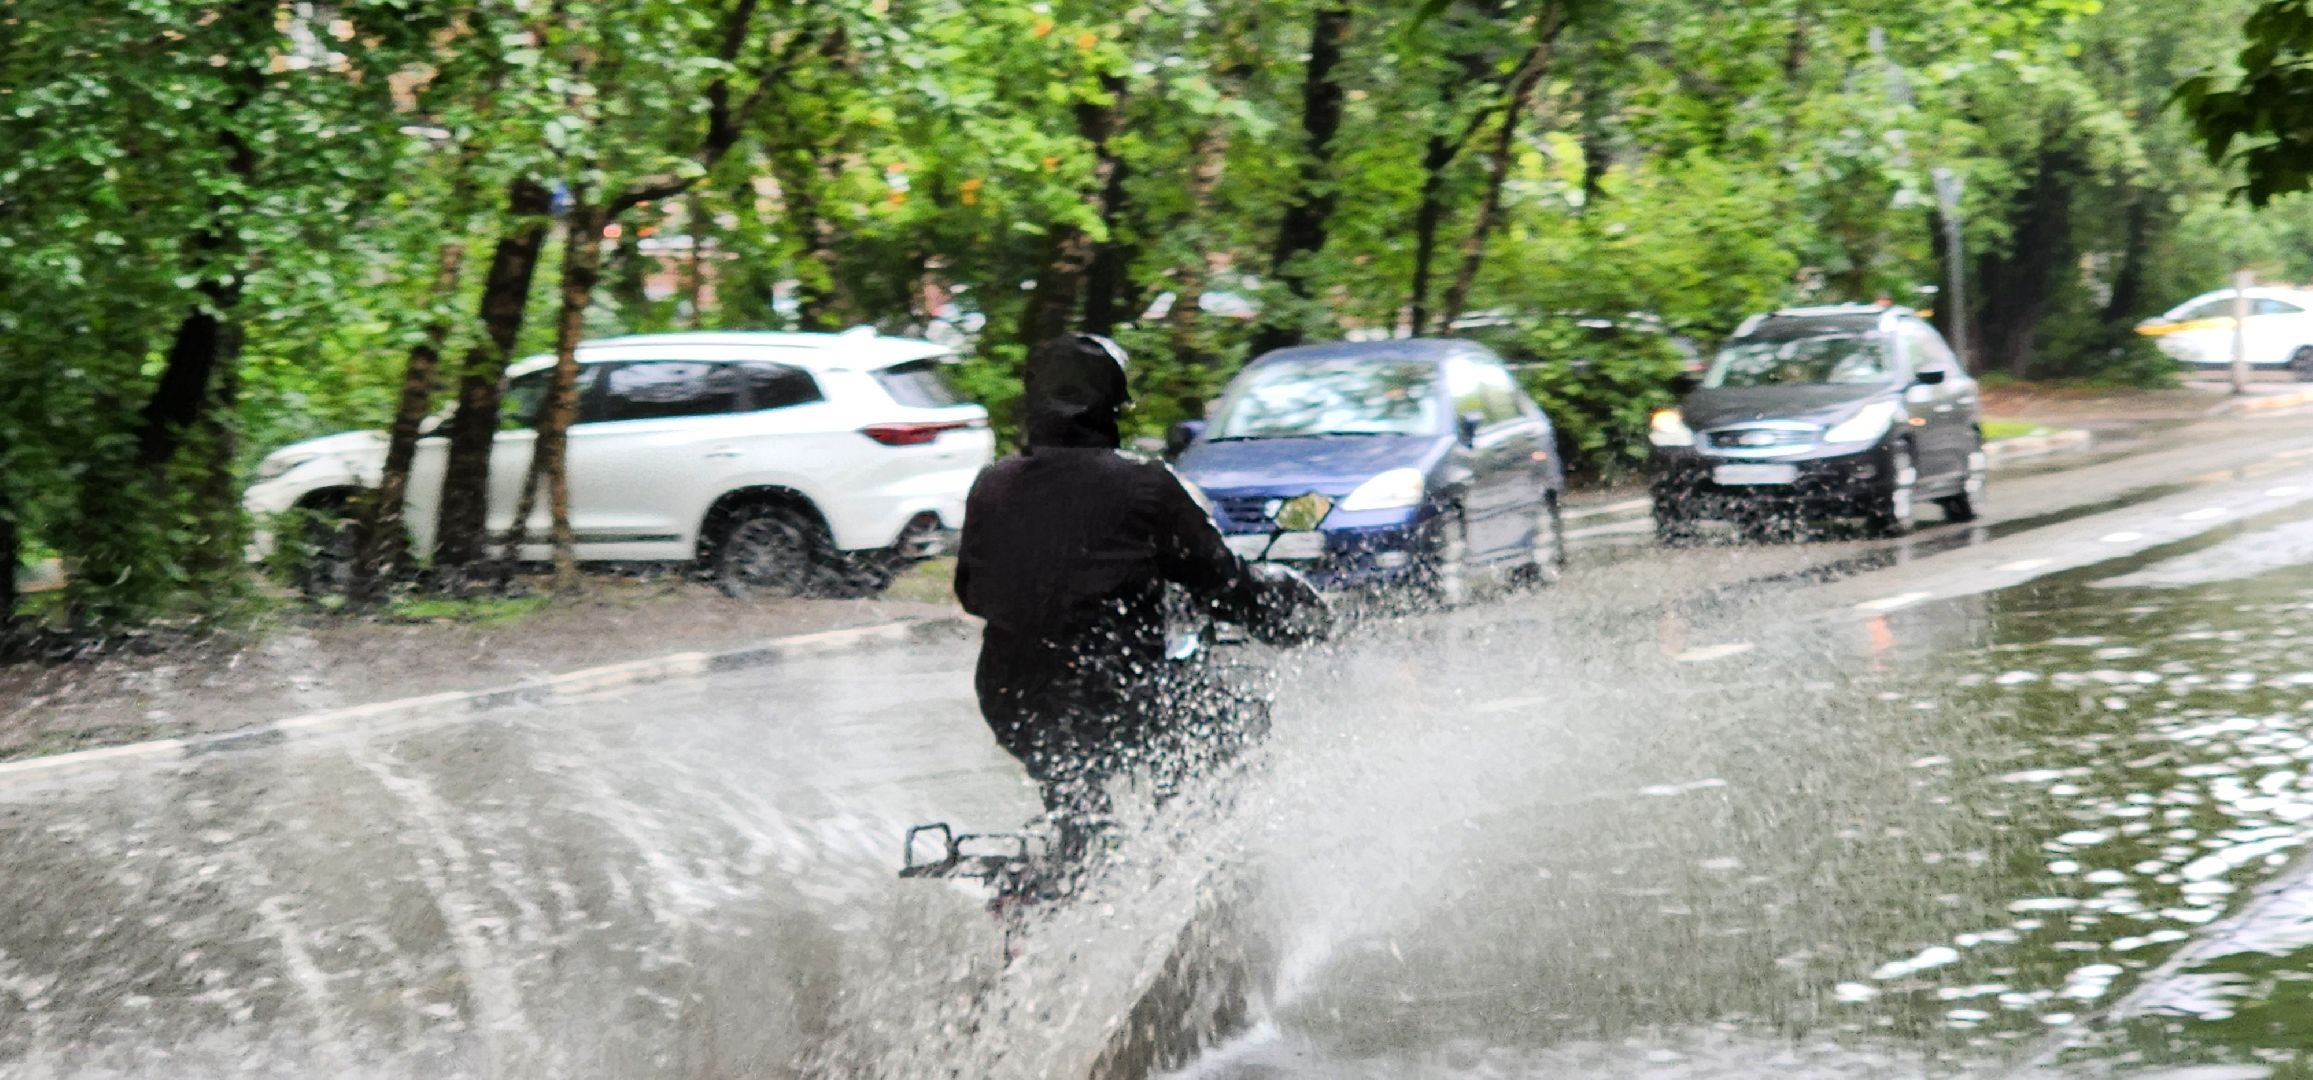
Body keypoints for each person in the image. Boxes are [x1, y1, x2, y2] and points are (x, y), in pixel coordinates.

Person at [954, 333, 1321, 878]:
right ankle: (1190, 860)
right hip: (1112, 692)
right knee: (1232, 717)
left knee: (1077, 792)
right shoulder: (1144, 486)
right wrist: (1281, 611)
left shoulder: (993, 483)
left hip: (1008, 696)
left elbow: (970, 590)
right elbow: (1220, 582)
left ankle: (1074, 858)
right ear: (1113, 405)